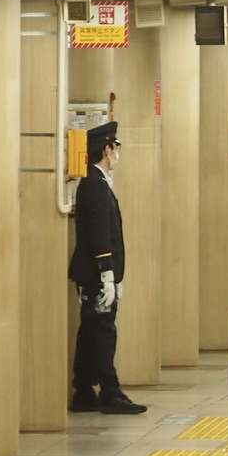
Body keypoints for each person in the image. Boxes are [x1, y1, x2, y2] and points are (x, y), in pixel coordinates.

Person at [67, 121, 147, 414]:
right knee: (103, 332)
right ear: (107, 150)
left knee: (90, 331)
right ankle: (110, 393)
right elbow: (100, 234)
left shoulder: (95, 183)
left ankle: (84, 391)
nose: (118, 154)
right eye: (116, 148)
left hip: (95, 274)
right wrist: (107, 274)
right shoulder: (95, 185)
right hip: (96, 274)